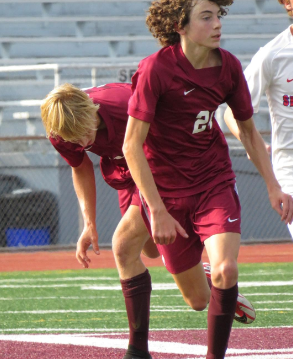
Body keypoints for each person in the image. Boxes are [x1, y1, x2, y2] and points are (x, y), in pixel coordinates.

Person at [122, 0, 293, 359]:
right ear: (180, 25)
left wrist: (272, 185)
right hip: (167, 193)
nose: (217, 24)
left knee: (227, 271)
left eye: (219, 15)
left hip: (214, 183)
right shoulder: (156, 70)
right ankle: (209, 282)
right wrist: (158, 211)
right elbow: (132, 146)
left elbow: (249, 132)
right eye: (205, 16)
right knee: (198, 301)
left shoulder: (229, 67)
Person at [41, 82, 254, 359]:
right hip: (126, 168)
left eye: (83, 133)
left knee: (123, 245)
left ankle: (137, 351)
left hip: (165, 164)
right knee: (153, 252)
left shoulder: (125, 104)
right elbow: (80, 165)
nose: (81, 143)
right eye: (73, 138)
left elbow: (175, 143)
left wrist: (158, 205)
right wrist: (88, 222)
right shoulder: (60, 128)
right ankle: (203, 275)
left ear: (91, 111)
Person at [224, 0, 293, 239]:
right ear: (287, 1)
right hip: (289, 166)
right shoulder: (272, 55)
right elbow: (231, 112)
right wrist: (251, 141)